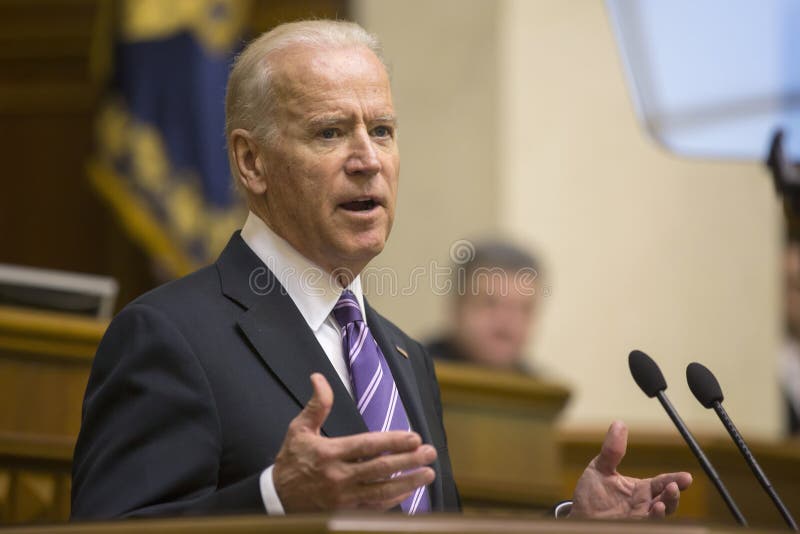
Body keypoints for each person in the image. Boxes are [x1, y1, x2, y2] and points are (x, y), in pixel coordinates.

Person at [71, 20, 691, 520]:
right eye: (330, 131)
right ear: (251, 161)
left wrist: (572, 525)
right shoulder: (167, 336)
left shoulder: (403, 355)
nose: (368, 159)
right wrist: (273, 499)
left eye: (384, 130)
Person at [427, 240, 541, 373]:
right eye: (490, 303)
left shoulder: (541, 389)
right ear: (457, 307)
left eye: (522, 308)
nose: (507, 320)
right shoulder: (410, 378)